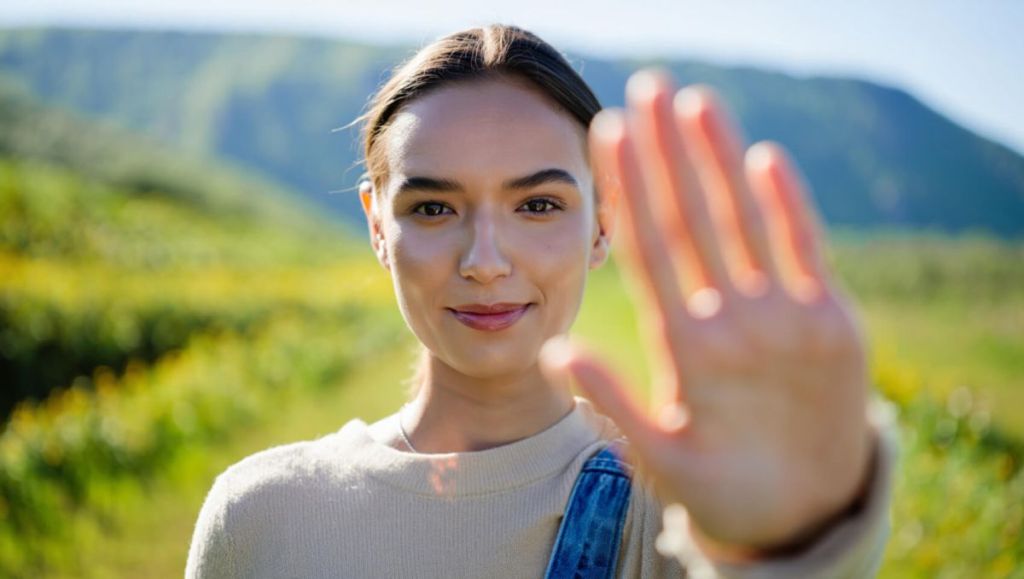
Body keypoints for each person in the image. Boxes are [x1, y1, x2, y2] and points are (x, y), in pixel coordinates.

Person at [186, 24, 897, 578]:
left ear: (603, 223)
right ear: (378, 224)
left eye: (538, 203)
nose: (485, 261)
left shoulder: (682, 515)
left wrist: (796, 537)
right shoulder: (261, 515)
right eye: (434, 208)